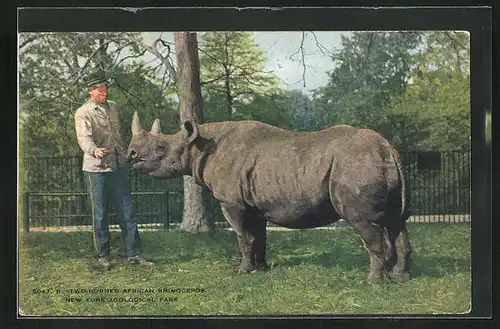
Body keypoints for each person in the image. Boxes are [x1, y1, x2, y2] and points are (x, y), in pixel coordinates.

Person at [74, 71, 153, 269]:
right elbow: (84, 138)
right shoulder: (83, 112)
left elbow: (120, 134)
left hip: (118, 168)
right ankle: (103, 256)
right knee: (100, 215)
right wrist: (94, 150)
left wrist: (127, 154)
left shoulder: (114, 108)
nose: (104, 92)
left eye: (105, 89)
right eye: (100, 90)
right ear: (90, 91)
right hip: (96, 171)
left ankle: (135, 254)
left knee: (128, 213)